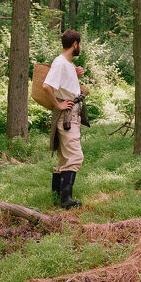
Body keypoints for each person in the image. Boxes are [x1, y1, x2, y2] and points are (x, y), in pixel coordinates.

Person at [42, 30, 89, 209]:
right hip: (67, 116)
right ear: (75, 44)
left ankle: (56, 197)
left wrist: (75, 75)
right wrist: (58, 104)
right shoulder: (60, 63)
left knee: (63, 159)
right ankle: (66, 201)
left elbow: (64, 85)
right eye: (80, 43)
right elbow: (46, 86)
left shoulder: (67, 64)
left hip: (70, 116)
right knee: (75, 157)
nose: (80, 47)